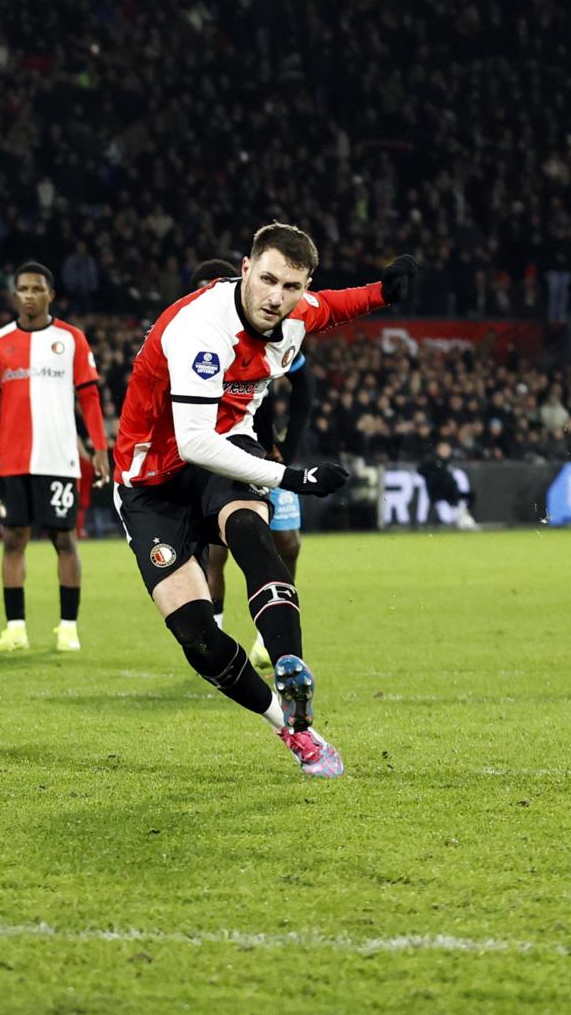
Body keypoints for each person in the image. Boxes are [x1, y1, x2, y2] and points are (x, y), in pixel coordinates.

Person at [113, 224, 419, 778]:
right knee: (197, 639)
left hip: (229, 446)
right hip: (153, 478)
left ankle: (288, 663)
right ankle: (291, 727)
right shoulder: (202, 330)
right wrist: (293, 477)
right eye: (269, 279)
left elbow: (333, 307)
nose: (277, 297)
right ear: (246, 268)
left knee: (251, 533)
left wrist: (384, 293)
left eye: (292, 286)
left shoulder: (294, 311)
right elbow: (193, 442)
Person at [0, 262, 111, 653]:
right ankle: (15, 629)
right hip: (12, 460)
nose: (29, 295)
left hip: (59, 457)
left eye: (37, 289)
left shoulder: (71, 339)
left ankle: (68, 627)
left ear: (51, 295)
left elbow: (89, 397)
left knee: (64, 538)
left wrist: (99, 448)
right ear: (14, 296)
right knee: (13, 539)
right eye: (23, 289)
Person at [191, 258, 313, 670]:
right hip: (214, 456)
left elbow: (304, 385)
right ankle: (215, 635)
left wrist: (287, 446)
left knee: (287, 544)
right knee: (218, 549)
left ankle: (269, 635)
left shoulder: (265, 333)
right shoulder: (187, 337)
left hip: (267, 455)